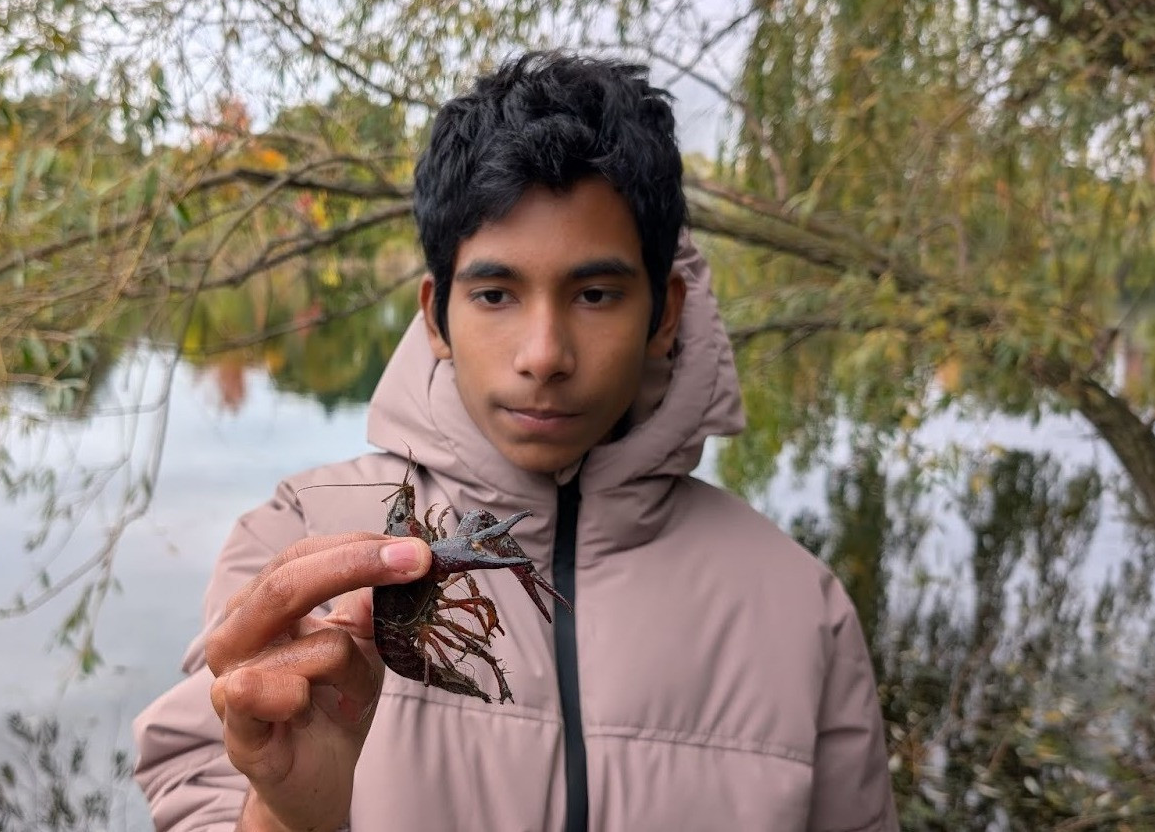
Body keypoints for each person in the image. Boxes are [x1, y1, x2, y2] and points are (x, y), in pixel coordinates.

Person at [133, 51, 898, 832]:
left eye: (595, 294)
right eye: (495, 294)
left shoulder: (801, 609)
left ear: (665, 312)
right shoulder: (296, 541)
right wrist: (285, 817)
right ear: (435, 315)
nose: (543, 355)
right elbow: (197, 788)